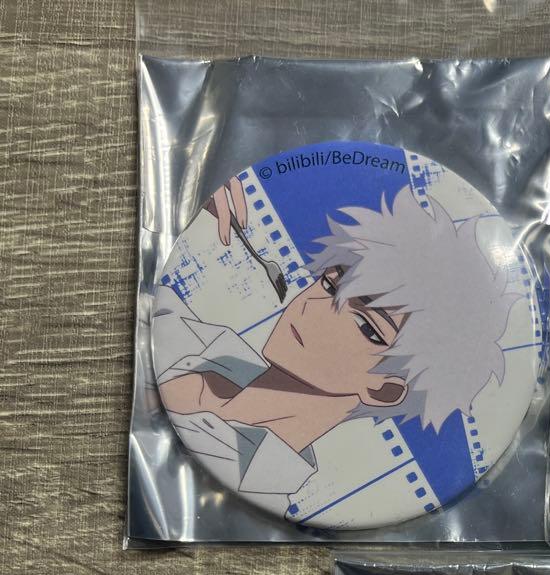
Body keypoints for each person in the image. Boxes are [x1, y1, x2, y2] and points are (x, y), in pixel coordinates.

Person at [152, 181, 520, 517]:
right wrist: (193, 212)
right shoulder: (194, 337)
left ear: (383, 389)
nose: (316, 308)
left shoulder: (247, 481)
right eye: (330, 284)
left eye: (366, 327)